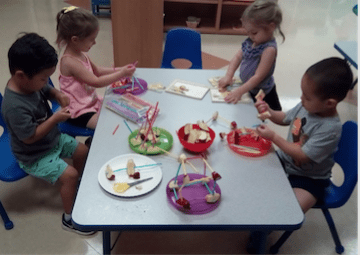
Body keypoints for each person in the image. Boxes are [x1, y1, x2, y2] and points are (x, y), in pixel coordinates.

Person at [1, 33, 94, 235]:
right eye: (43, 78)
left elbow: (45, 89)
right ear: (20, 76)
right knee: (69, 174)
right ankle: (69, 219)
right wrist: (54, 119)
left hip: (51, 139)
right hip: (33, 155)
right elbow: (29, 137)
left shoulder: (31, 83)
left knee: (82, 151)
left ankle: (76, 187)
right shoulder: (14, 106)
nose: (46, 81)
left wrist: (58, 94)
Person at [255, 57, 353, 213]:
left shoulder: (330, 128)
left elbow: (302, 155)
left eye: (307, 97)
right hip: (286, 160)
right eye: (302, 94)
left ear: (329, 103)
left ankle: (263, 233)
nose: (301, 99)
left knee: (287, 212)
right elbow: (285, 118)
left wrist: (274, 137)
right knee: (254, 175)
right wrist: (268, 112)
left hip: (310, 179)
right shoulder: (307, 106)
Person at [56, 6, 136, 129]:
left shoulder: (80, 53)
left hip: (90, 101)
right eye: (92, 39)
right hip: (78, 110)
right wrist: (122, 74)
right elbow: (96, 82)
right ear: (75, 40)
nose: (95, 43)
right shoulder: (69, 62)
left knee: (121, 108)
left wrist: (120, 69)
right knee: (108, 127)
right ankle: (92, 144)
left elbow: (97, 71)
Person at [218, 0, 284, 110]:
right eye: (247, 32)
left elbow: (258, 76)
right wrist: (228, 76)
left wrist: (239, 91)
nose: (250, 36)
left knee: (261, 117)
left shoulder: (269, 49)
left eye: (254, 33)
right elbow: (237, 57)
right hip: (248, 88)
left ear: (271, 27)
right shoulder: (251, 41)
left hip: (262, 94)